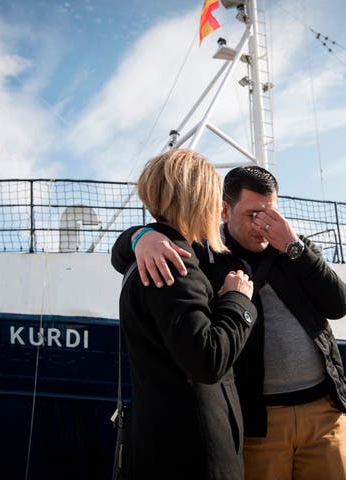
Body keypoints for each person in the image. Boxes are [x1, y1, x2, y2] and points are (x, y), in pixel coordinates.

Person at [111, 165, 346, 480]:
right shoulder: (204, 253)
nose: (264, 225)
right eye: (253, 214)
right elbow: (120, 256)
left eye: (271, 214)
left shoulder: (294, 249)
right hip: (259, 421)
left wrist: (294, 247)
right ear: (225, 210)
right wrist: (141, 236)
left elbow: (339, 305)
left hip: (323, 413)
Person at [111, 149, 258, 479]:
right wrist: (238, 302)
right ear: (197, 200)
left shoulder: (150, 255)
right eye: (213, 198)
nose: (219, 209)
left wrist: (140, 235)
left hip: (163, 448)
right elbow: (206, 359)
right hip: (193, 456)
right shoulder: (174, 264)